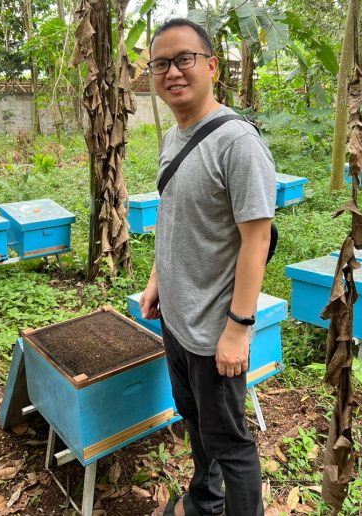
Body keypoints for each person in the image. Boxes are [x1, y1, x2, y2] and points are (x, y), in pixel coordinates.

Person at [139, 18, 276, 516]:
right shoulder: (175, 136)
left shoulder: (237, 143)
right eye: (160, 63)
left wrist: (239, 328)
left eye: (184, 59)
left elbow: (256, 239)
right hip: (177, 318)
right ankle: (205, 499)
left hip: (213, 329)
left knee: (232, 445)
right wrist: (158, 279)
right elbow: (171, 212)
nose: (172, 72)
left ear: (211, 66)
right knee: (194, 419)